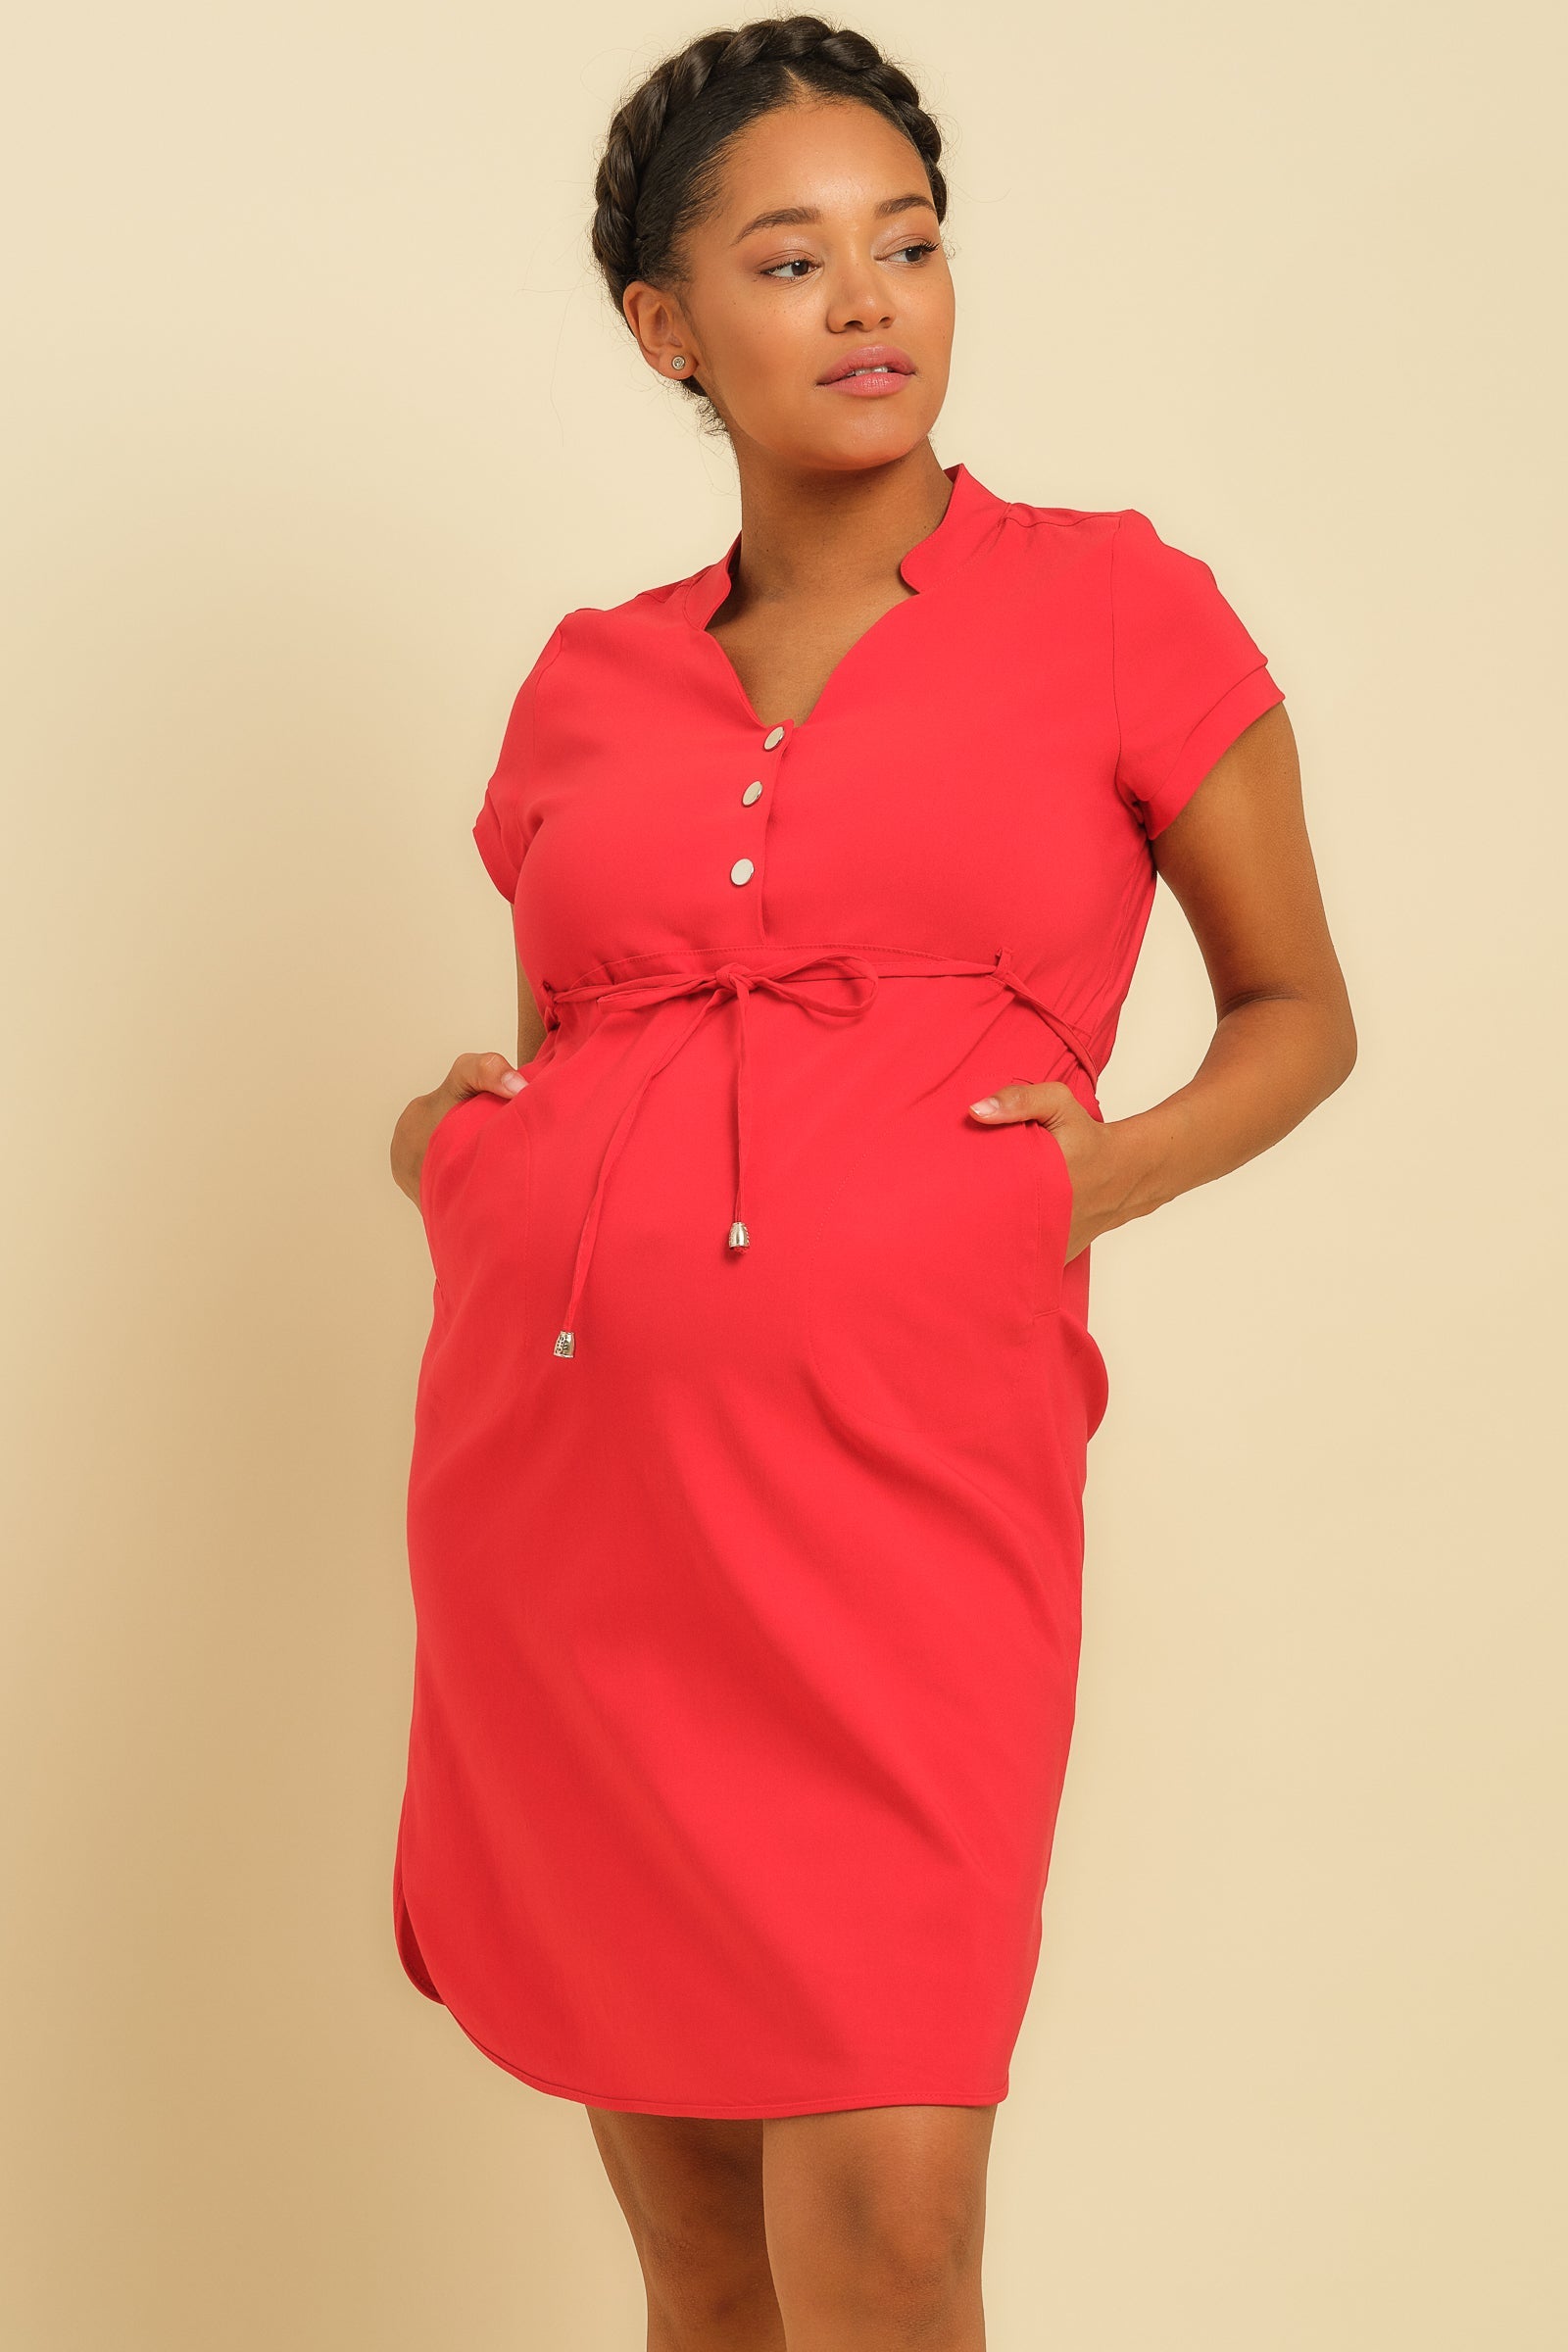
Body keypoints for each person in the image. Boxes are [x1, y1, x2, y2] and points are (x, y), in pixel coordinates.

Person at [387, 16, 1355, 2347]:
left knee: (889, 2239)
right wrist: (452, 1156)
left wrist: (1095, 1180)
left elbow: (1295, 1010)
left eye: (906, 245)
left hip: (910, 1495)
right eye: (789, 258)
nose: (866, 302)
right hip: (575, 1515)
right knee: (706, 2260)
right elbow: (578, 1052)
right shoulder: (584, 680)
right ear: (665, 329)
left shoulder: (1115, 604)